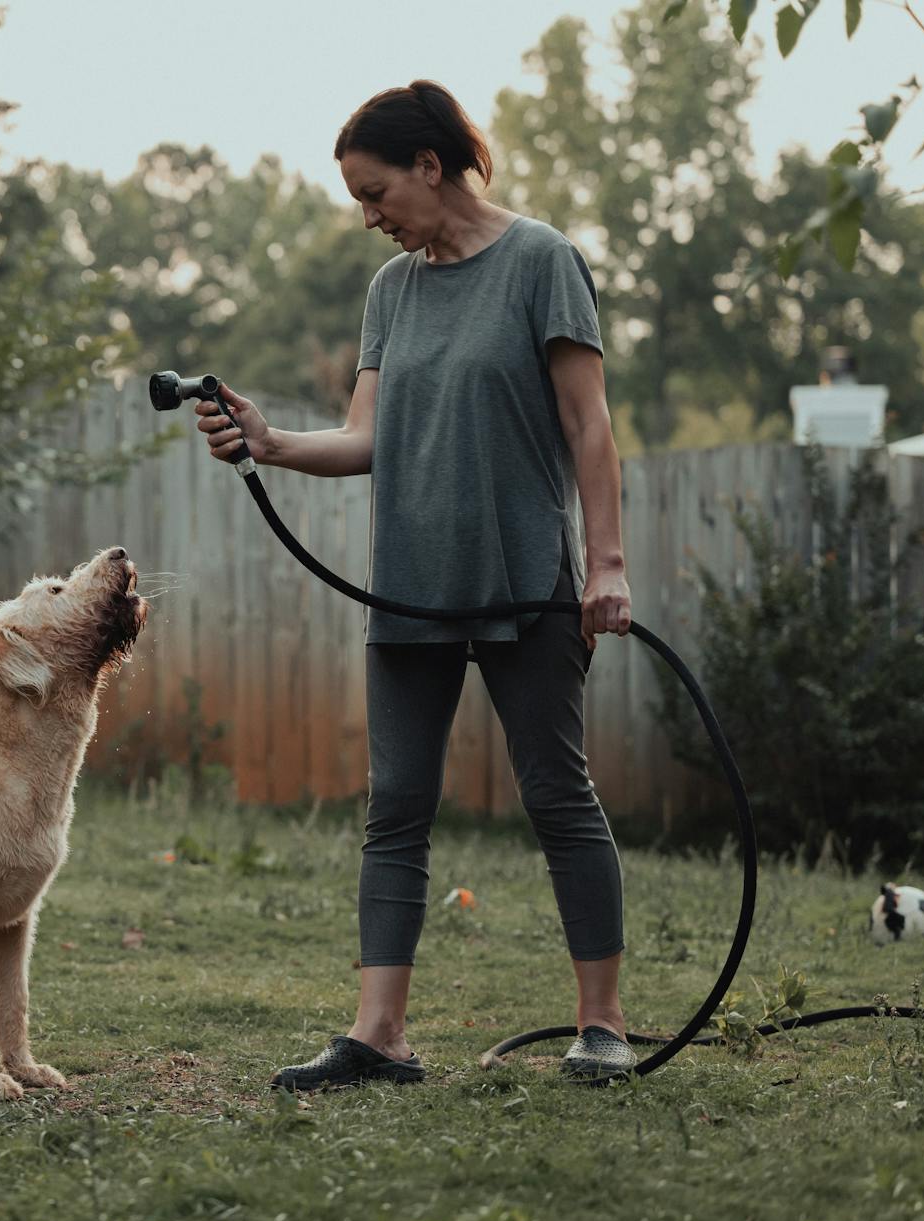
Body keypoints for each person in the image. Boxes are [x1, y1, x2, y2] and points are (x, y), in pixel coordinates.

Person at [194, 80, 635, 1086]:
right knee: (395, 802)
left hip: (526, 583)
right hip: (410, 592)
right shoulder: (392, 292)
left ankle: (602, 1022)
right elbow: (365, 437)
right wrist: (269, 440)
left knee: (559, 795)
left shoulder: (542, 262)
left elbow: (589, 425)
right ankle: (378, 1032)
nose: (368, 217)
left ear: (430, 167)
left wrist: (606, 564)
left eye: (376, 191)